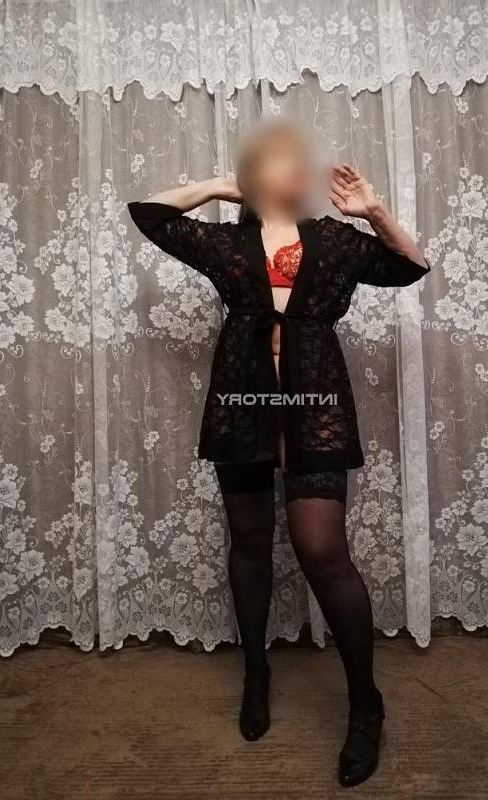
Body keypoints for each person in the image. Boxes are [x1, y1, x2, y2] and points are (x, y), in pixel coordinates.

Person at [128, 118, 429, 788]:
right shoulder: (225, 244)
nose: (290, 167)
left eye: (297, 158)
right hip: (243, 404)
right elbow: (147, 214)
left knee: (322, 550)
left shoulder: (333, 241)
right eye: (272, 160)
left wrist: (374, 211)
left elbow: (412, 267)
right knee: (248, 541)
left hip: (313, 403)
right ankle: (257, 673)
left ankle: (365, 704)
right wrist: (218, 186)